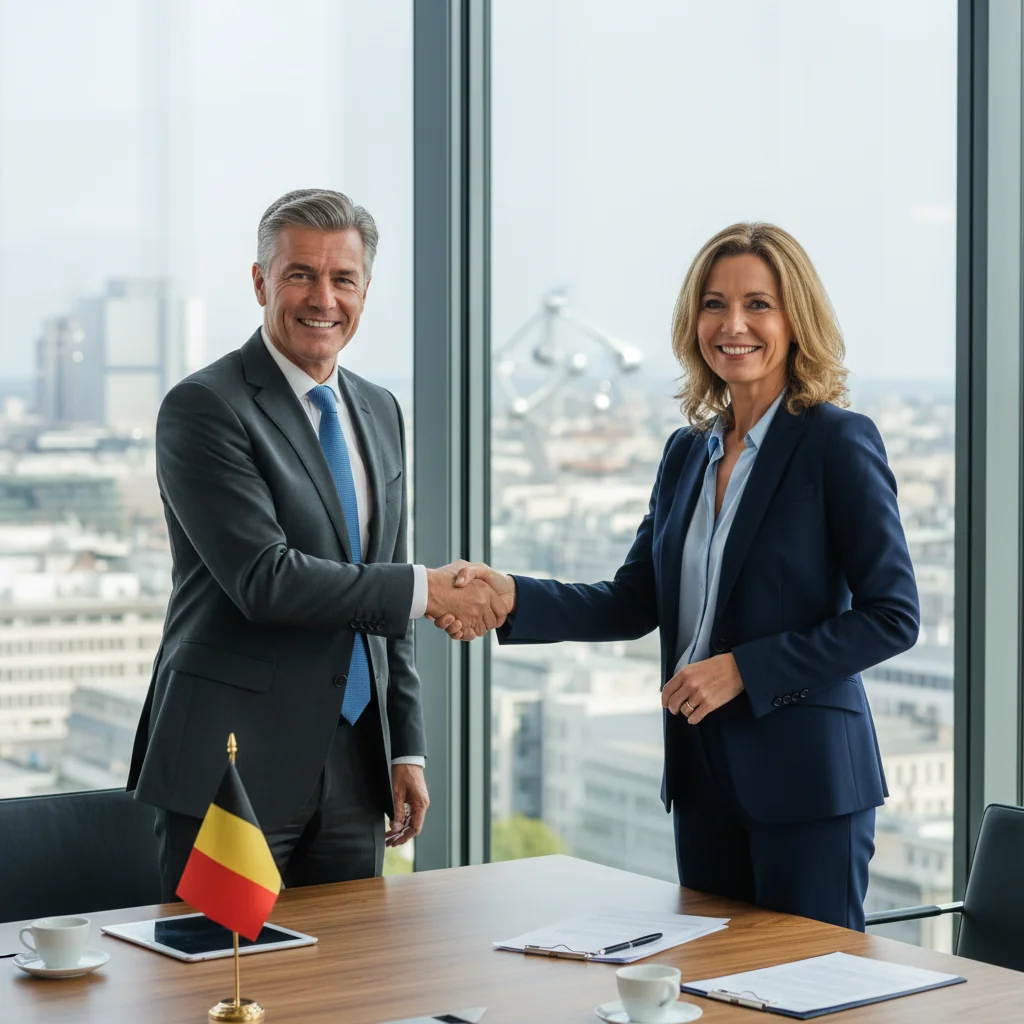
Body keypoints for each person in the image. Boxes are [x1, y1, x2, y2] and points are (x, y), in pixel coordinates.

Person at [439, 222, 919, 930]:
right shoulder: (685, 454)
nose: (733, 325)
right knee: (714, 987)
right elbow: (634, 601)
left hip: (808, 782)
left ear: (795, 320)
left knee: (807, 988)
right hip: (701, 778)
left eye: (758, 304)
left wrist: (744, 670)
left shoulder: (836, 443)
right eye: (714, 304)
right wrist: (513, 596)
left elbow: (893, 614)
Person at [128, 188, 506, 899]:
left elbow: (381, 587)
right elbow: (266, 579)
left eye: (343, 279)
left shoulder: (380, 409)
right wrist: (429, 590)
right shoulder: (205, 407)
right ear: (261, 281)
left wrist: (407, 747)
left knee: (345, 992)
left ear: (365, 290)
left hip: (355, 767)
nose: (322, 298)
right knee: (218, 986)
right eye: (300, 274)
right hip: (231, 762)